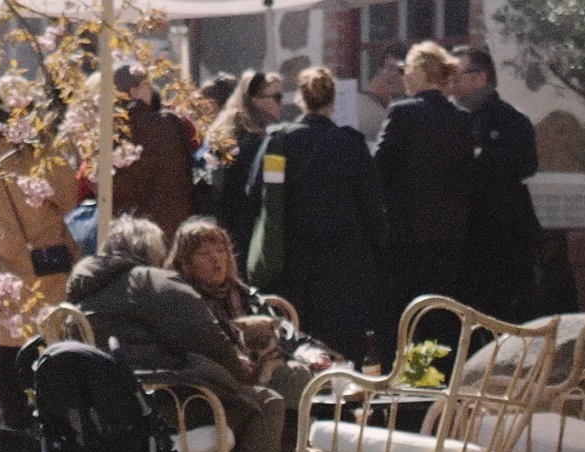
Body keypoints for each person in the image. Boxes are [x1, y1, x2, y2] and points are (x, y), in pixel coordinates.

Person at [67, 215, 286, 452]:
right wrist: (236, 373)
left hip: (103, 414)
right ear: (151, 250)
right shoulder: (149, 282)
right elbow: (207, 341)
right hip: (162, 408)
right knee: (266, 402)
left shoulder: (82, 291)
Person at [246, 66, 392, 364]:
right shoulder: (350, 143)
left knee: (298, 345)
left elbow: (256, 194)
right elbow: (373, 208)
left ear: (299, 99)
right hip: (343, 267)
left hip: (292, 262)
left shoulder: (279, 142)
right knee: (342, 351)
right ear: (332, 101)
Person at [0, 75, 81, 429]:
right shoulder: (46, 153)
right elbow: (69, 199)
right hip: (47, 254)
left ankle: (14, 416)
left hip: (4, 252)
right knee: (49, 332)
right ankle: (52, 412)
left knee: (9, 338)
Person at [166, 216, 335, 407]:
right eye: (203, 253)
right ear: (185, 262)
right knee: (293, 377)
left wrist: (309, 354)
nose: (215, 258)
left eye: (221, 251)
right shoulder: (182, 300)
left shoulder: (245, 296)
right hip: (218, 389)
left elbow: (288, 334)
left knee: (322, 377)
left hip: (263, 376)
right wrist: (233, 361)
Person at [374, 42, 473, 342]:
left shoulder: (403, 113)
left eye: (407, 69)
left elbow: (379, 167)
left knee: (408, 311)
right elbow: (466, 175)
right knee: (443, 310)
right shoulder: (461, 118)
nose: (404, 76)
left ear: (419, 72)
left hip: (407, 231)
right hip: (450, 233)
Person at [452, 44, 542, 323]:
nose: (451, 84)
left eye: (457, 76)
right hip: (464, 235)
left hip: (503, 233)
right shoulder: (450, 121)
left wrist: (483, 161)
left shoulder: (510, 119)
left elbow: (526, 165)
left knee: (505, 313)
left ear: (480, 77)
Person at [112, 63, 199, 243]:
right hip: (169, 221)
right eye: (146, 85)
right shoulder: (166, 124)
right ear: (134, 91)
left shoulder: (107, 129)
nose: (152, 90)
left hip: (126, 227)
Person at [207, 69, 283, 251]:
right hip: (248, 228)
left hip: (223, 227)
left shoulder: (223, 128)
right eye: (277, 97)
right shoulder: (257, 140)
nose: (282, 103)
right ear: (256, 100)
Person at [354, 45, 408, 147]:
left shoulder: (412, 110)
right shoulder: (382, 110)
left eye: (401, 70)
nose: (394, 74)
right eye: (390, 68)